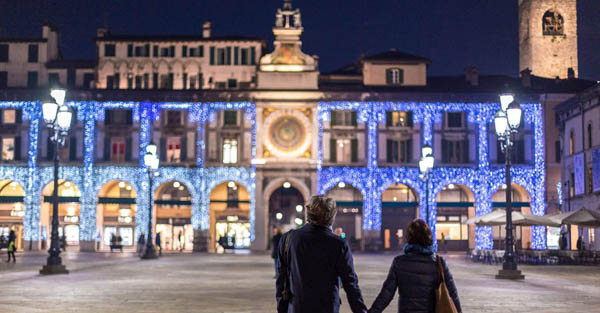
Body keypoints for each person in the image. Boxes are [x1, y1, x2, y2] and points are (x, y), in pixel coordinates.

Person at [276, 195, 367, 313]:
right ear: (332, 216)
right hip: (327, 307)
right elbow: (350, 284)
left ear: (308, 212)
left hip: (297, 307)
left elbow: (281, 278)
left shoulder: (288, 239)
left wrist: (282, 308)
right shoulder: (339, 244)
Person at [368, 219, 461, 313]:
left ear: (409, 238)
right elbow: (452, 294)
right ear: (429, 237)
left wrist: (373, 311)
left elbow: (386, 294)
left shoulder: (399, 262)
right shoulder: (439, 262)